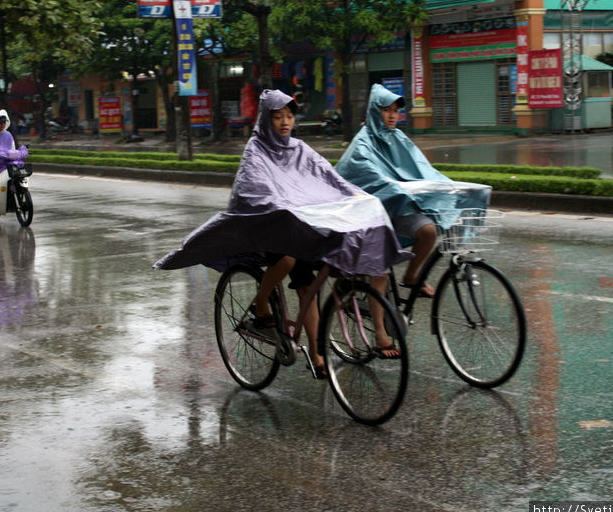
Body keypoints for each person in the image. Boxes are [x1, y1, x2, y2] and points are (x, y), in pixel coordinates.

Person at [155, 89, 411, 377]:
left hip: (301, 228)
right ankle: (261, 302)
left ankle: (316, 354)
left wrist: (357, 197)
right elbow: (254, 190)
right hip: (269, 228)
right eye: (278, 117)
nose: (285, 122)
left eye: (289, 116)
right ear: (266, 120)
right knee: (287, 259)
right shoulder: (255, 150)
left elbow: (330, 178)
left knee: (308, 289)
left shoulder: (300, 149)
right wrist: (284, 208)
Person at [335, 83, 490, 302]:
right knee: (380, 268)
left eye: (395, 111)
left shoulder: (399, 138)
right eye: (386, 109)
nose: (392, 115)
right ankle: (380, 329)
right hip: (376, 214)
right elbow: (368, 176)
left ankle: (411, 276)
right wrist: (399, 189)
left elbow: (423, 170)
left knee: (428, 231)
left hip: (401, 205)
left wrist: (449, 188)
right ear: (374, 111)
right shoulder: (362, 143)